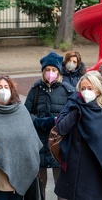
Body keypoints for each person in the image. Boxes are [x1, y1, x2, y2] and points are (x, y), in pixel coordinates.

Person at [54, 74, 102, 199]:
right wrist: (76, 110)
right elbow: (61, 128)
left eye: (89, 88)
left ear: (97, 90)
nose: (86, 92)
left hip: (94, 169)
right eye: (83, 88)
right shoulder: (72, 104)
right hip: (73, 165)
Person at [0, 75, 43, 199]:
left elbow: (31, 142)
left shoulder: (22, 111)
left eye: (6, 87)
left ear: (11, 90)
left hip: (22, 172)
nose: (3, 90)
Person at [24, 51, 75, 195]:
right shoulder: (35, 89)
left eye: (53, 70)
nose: (50, 73)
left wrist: (58, 123)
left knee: (61, 183)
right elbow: (26, 114)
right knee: (40, 183)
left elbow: (72, 114)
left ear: (58, 71)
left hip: (59, 141)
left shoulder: (67, 90)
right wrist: (40, 122)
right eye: (47, 69)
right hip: (38, 141)